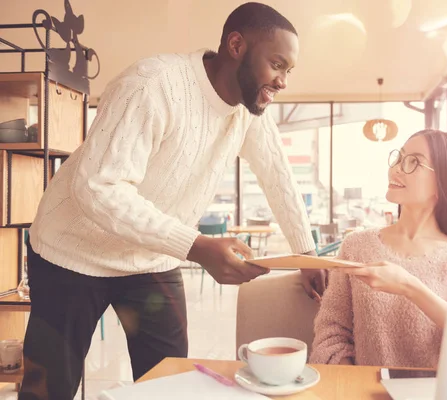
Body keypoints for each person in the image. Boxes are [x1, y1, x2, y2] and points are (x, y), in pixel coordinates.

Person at [19, 3, 327, 399]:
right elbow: (98, 187)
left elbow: (277, 175)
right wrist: (195, 246)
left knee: (168, 386)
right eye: (278, 64)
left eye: (289, 71)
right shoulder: (153, 85)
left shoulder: (251, 110)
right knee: (48, 390)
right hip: (70, 254)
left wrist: (306, 253)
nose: (283, 81)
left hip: (151, 259)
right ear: (237, 44)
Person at [309, 129, 447, 368]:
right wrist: (352, 386)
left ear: (444, 182)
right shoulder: (357, 246)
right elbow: (331, 333)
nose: (396, 168)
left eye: (414, 162)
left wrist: (410, 287)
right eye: (399, 158)